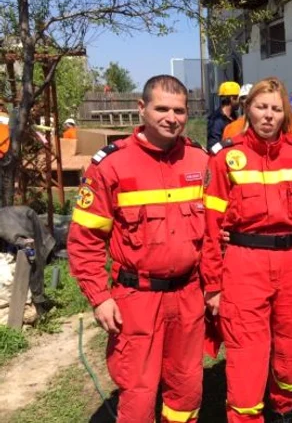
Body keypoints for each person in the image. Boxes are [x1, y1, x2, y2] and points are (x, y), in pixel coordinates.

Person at [67, 75, 208, 422]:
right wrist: (100, 297)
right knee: (138, 392)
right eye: (162, 108)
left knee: (186, 387)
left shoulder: (200, 161)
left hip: (190, 295)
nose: (171, 117)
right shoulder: (111, 165)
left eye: (179, 110)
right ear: (141, 109)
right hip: (137, 298)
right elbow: (84, 240)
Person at [201, 77, 292, 423]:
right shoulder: (227, 158)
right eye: (261, 107)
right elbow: (210, 231)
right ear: (248, 110)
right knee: (246, 356)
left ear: (285, 113)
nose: (268, 115)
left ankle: (284, 411)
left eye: (276, 108)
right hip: (244, 266)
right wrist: (213, 285)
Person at [207, 81, 240, 149]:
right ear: (232, 98)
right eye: (239, 98)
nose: (240, 102)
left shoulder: (234, 116)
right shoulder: (216, 121)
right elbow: (213, 147)